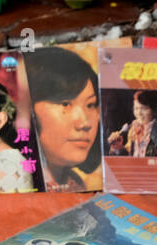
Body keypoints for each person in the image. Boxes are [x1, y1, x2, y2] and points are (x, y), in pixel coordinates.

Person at [26, 46, 101, 192]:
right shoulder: (9, 182)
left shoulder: (74, 183)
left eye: (90, 105)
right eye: (65, 104)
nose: (84, 123)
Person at [108, 90, 157, 159]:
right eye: (136, 108)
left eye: (144, 108)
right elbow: (131, 155)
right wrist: (118, 148)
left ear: (153, 110)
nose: (139, 113)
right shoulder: (133, 129)